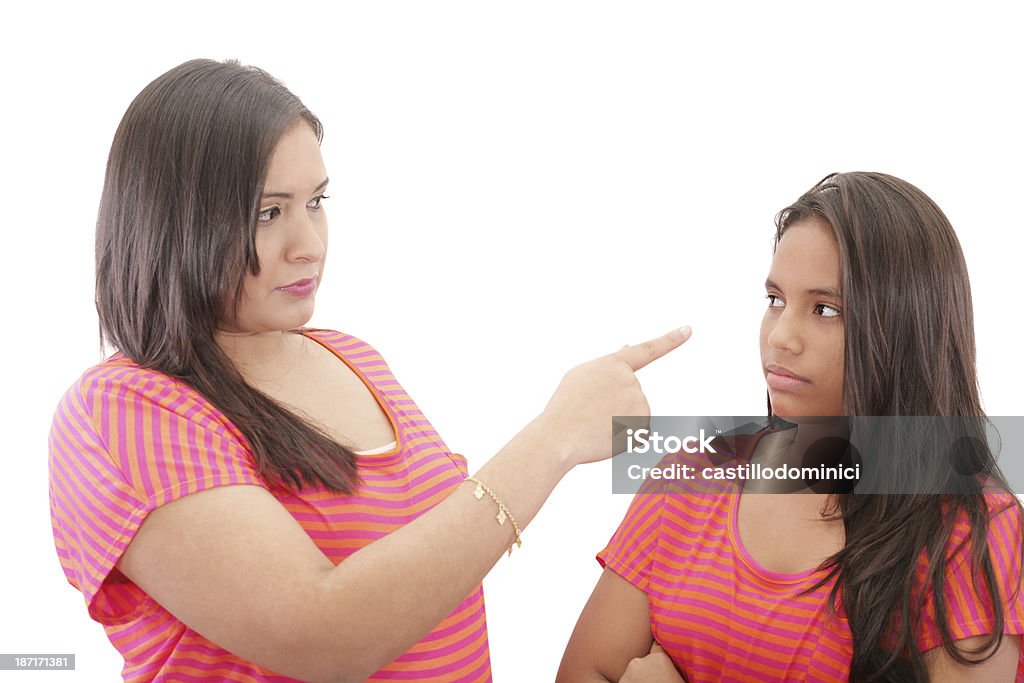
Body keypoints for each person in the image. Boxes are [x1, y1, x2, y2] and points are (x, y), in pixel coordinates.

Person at [47, 58, 689, 683]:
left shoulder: (353, 357)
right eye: (269, 213)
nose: (312, 244)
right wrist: (554, 439)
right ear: (176, 222)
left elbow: (436, 572)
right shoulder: (124, 407)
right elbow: (326, 637)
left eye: (317, 202)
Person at [557, 172, 1024, 682]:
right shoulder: (690, 475)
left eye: (825, 309)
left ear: (904, 328)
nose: (781, 337)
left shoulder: (970, 529)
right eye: (776, 300)